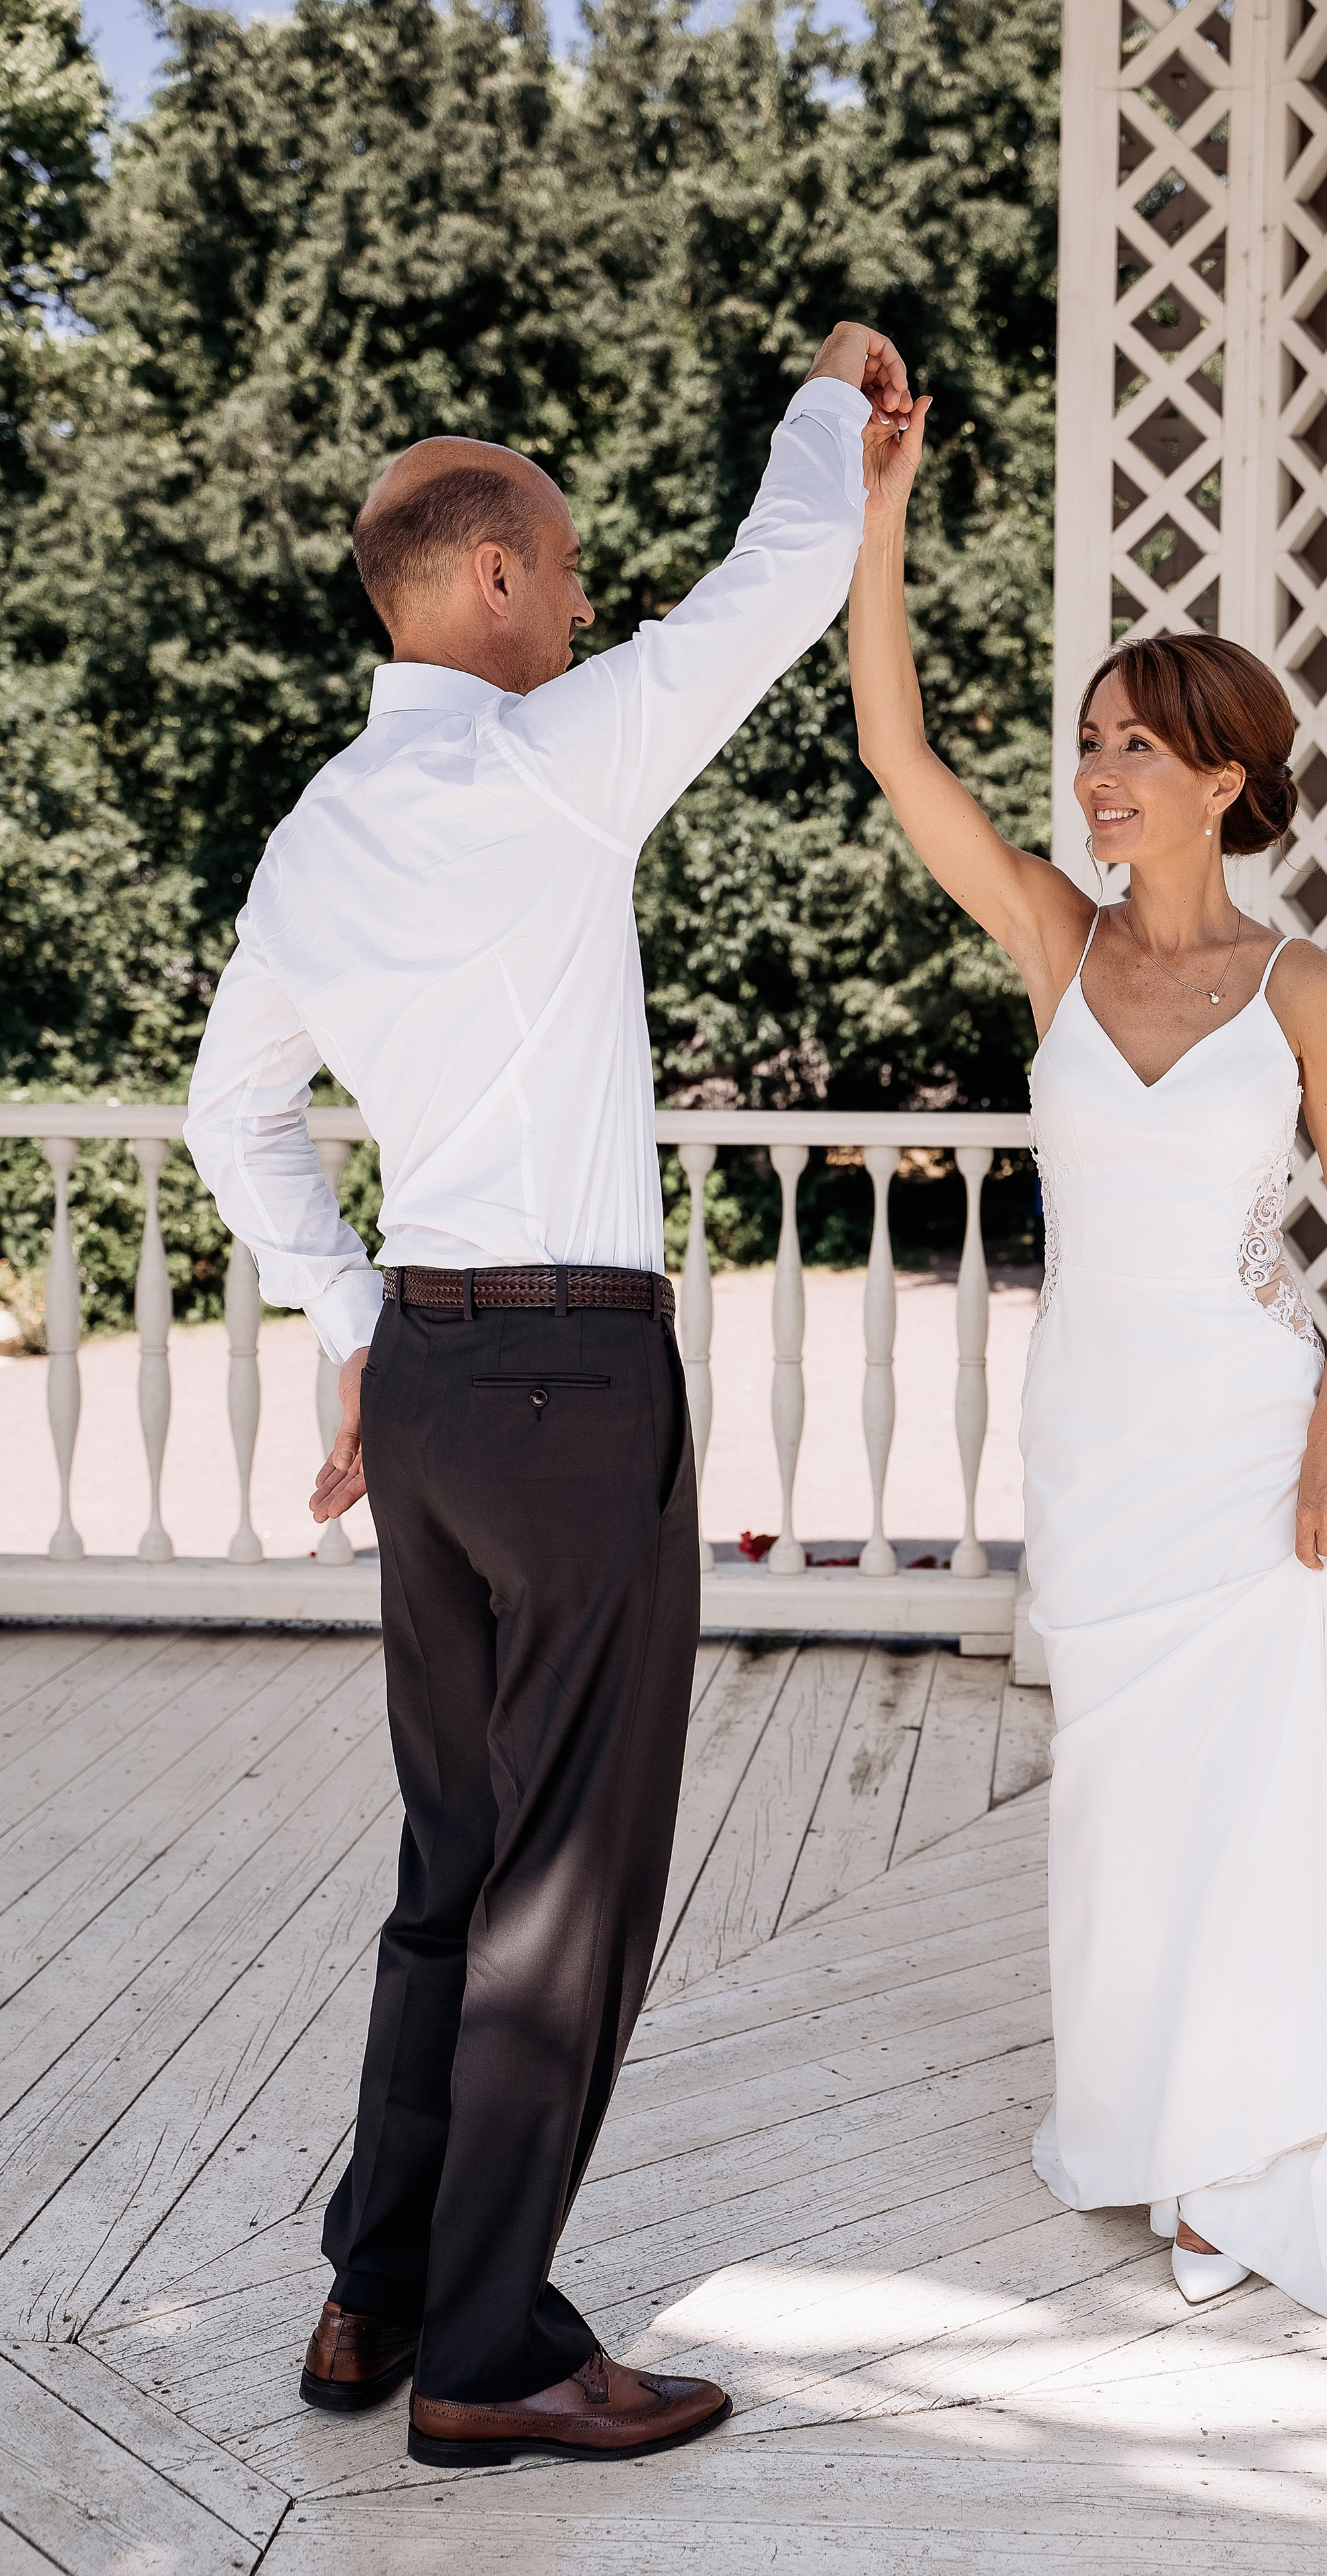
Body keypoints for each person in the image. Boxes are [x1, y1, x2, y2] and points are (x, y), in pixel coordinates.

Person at [183, 320, 912, 2467]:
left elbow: (238, 1120)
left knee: (453, 1854)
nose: (592, 600)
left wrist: (348, 1324)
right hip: (576, 1378)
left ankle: (376, 2293)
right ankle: (493, 2355)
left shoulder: (316, 830)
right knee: (563, 1887)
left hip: (422, 1372)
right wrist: (830, 397)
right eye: (572, 568)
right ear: (490, 577)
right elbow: (776, 584)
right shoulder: (546, 757)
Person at [846, 397, 1327, 2342]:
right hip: (1098, 1440)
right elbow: (898, 750)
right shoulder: (1055, 947)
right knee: (1117, 1800)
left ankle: (1250, 2155)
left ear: (1226, 776)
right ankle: (1143, 2119)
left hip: (1248, 1440)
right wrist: (884, 513)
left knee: (1248, 1796)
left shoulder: (1302, 984)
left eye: (1133, 745)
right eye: (1085, 742)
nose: (1094, 775)